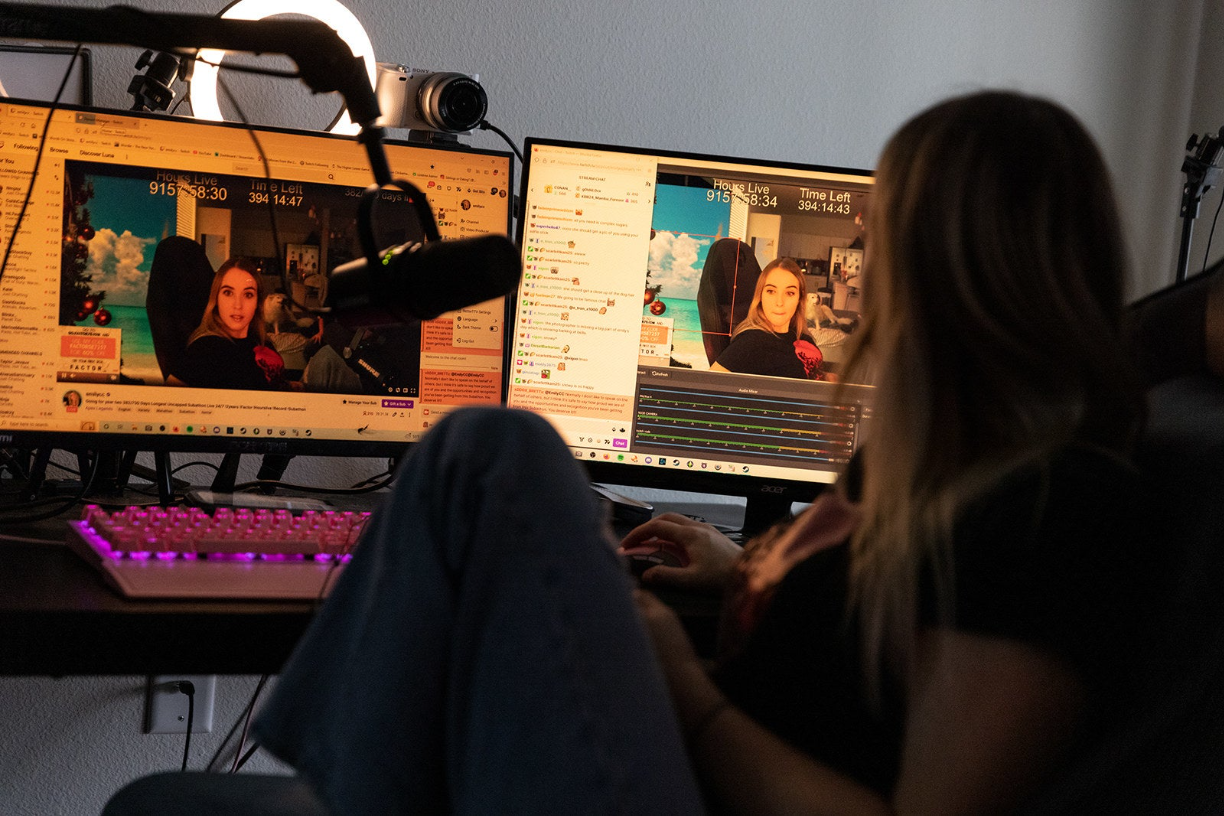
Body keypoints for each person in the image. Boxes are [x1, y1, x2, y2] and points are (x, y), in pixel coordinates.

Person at [105, 90, 1160, 816]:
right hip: (686, 758)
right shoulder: (926, 468)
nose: (856, 261)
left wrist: (679, 683)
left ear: (949, 263)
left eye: (883, 230)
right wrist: (744, 572)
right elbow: (856, 651)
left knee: (498, 453)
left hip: (701, 778)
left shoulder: (1056, 510)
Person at [169, 258, 289, 391]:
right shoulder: (205, 350)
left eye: (248, 295)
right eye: (228, 293)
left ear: (257, 302)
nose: (238, 305)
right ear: (216, 299)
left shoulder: (260, 339)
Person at [711, 257, 831, 380]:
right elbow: (708, 385)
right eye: (771, 291)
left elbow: (810, 371)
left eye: (789, 293)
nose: (779, 302)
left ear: (799, 299)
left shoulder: (799, 333)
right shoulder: (751, 343)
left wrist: (827, 377)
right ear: (760, 296)